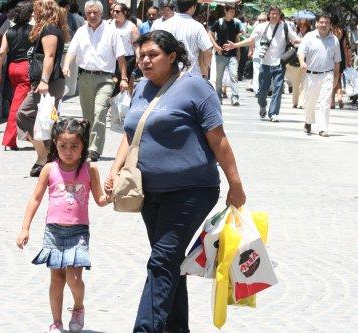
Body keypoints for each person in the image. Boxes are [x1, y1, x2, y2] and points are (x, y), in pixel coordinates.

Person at [104, 30, 246, 333]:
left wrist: (236, 185)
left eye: (152, 54)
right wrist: (115, 169)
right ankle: (177, 328)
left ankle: (145, 329)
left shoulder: (196, 87)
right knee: (169, 261)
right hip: (150, 192)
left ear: (172, 56)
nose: (144, 60)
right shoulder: (141, 88)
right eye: (141, 55)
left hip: (191, 191)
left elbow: (218, 139)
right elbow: (131, 133)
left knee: (161, 260)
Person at [16, 118, 111, 333]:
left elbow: (100, 200)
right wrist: (25, 227)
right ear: (55, 146)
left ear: (83, 147)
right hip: (53, 231)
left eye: (74, 146)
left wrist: (113, 194)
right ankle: (56, 322)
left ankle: (78, 307)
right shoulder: (49, 169)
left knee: (74, 278)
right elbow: (35, 199)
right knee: (57, 279)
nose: (68, 151)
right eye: (63, 146)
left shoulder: (90, 169)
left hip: (78, 232)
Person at [63, 0, 128, 162]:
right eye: (89, 13)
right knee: (87, 117)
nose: (92, 15)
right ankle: (86, 146)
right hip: (85, 77)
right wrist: (66, 65)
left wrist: (124, 78)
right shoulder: (80, 31)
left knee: (99, 113)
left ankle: (94, 150)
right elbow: (72, 50)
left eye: (95, 12)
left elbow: (121, 56)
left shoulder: (111, 31)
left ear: (101, 13)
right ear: (85, 14)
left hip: (105, 78)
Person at [17, 0, 69, 177]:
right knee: (47, 121)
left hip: (49, 83)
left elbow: (50, 56)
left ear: (43, 11)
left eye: (36, 10)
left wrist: (44, 80)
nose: (33, 13)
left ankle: (45, 157)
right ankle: (48, 158)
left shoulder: (49, 29)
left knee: (27, 115)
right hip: (47, 83)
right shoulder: (49, 28)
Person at [224, 6, 299, 120]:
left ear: (279, 15)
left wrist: (308, 42)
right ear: (269, 15)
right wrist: (235, 45)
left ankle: (273, 113)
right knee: (262, 92)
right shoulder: (261, 27)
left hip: (280, 63)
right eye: (272, 13)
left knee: (278, 90)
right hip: (265, 64)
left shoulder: (285, 26)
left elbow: (295, 39)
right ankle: (263, 105)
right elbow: (251, 40)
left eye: (276, 14)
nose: (274, 16)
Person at [0, 0, 33, 151]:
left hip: (12, 68)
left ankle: (27, 136)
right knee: (17, 106)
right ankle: (9, 139)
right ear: (29, 15)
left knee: (19, 102)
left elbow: (2, 52)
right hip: (26, 68)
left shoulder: (9, 31)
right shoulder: (33, 30)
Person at [298, 12, 341, 137]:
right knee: (309, 102)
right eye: (321, 22)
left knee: (325, 102)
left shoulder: (334, 40)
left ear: (330, 25)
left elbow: (337, 61)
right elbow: (301, 52)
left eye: (326, 23)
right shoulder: (309, 36)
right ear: (317, 23)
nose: (324, 25)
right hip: (311, 74)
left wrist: (336, 78)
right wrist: (302, 62)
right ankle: (308, 121)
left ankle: (323, 128)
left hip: (327, 74)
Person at [152, 0, 212, 77]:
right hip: (191, 74)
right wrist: (205, 67)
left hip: (168, 74)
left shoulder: (164, 25)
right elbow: (208, 51)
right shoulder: (197, 27)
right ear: (193, 7)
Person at [209, 5, 241, 106]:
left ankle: (235, 98)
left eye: (234, 11)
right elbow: (210, 34)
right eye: (231, 11)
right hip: (221, 54)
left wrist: (238, 53)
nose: (233, 13)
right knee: (219, 78)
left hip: (232, 54)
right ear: (225, 11)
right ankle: (218, 98)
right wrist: (216, 47)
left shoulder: (236, 23)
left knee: (234, 76)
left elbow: (237, 40)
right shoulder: (219, 22)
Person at [111, 2, 139, 97]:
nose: (114, 13)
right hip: (111, 58)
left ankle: (118, 103)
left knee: (120, 81)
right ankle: (113, 102)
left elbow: (136, 45)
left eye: (117, 11)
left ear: (125, 12)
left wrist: (138, 59)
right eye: (113, 11)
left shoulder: (131, 26)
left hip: (127, 59)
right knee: (110, 81)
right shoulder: (108, 24)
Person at [286, 18, 311, 109]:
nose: (302, 28)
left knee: (304, 83)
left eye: (304, 26)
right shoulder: (295, 35)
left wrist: (300, 42)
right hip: (295, 63)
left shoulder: (311, 35)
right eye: (301, 26)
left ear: (308, 27)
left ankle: (301, 102)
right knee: (296, 84)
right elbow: (293, 43)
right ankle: (295, 102)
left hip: (307, 62)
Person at [330, 15, 351, 109]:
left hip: (331, 57)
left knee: (331, 79)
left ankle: (332, 102)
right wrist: (347, 60)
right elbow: (345, 47)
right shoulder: (343, 32)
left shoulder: (329, 31)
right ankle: (339, 97)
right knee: (338, 79)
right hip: (341, 57)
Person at [247, 13, 267, 94]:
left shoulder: (270, 29)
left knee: (266, 73)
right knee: (256, 72)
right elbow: (251, 40)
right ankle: (257, 90)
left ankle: (267, 89)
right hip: (257, 54)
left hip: (267, 56)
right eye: (260, 20)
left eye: (263, 20)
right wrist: (250, 50)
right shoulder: (256, 28)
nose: (261, 21)